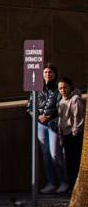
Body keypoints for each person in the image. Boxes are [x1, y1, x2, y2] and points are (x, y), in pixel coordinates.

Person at [29, 64, 66, 194]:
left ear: (54, 74)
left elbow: (61, 107)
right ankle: (51, 182)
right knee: (45, 155)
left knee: (55, 153)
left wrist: (48, 116)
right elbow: (29, 107)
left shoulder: (58, 89)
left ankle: (63, 182)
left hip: (53, 124)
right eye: (45, 72)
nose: (47, 74)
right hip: (40, 124)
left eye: (50, 72)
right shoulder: (37, 89)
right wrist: (38, 116)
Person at [58, 77, 84, 194]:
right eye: (60, 88)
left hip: (74, 135)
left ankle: (76, 188)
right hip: (65, 135)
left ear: (70, 87)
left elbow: (78, 118)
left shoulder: (75, 99)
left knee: (75, 162)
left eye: (65, 87)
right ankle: (72, 186)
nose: (63, 90)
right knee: (68, 162)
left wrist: (75, 133)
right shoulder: (61, 100)